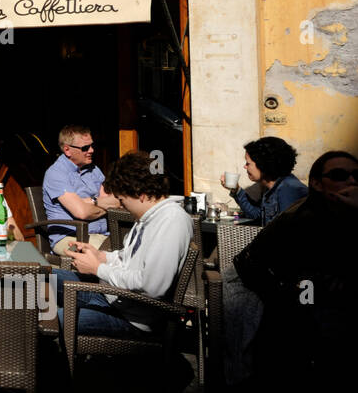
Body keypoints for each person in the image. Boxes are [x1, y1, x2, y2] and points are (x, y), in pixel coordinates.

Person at [232, 150, 358, 393]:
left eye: (356, 176)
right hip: (303, 344)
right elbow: (249, 262)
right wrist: (287, 293)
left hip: (333, 341)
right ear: (316, 183)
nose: (352, 182)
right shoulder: (301, 219)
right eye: (340, 176)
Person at [52, 151, 192, 335]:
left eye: (122, 199)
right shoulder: (148, 217)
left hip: (132, 320)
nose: (120, 205)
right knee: (40, 276)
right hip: (113, 298)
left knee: (48, 320)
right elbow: (127, 259)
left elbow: (153, 286)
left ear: (140, 194)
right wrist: (100, 256)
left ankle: (23, 355)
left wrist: (98, 269)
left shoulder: (171, 221)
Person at [43, 124, 120, 253]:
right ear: (67, 150)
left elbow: (116, 201)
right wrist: (102, 204)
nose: (91, 150)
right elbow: (82, 213)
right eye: (85, 147)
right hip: (71, 240)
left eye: (91, 146)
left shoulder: (93, 169)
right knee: (117, 256)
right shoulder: (56, 174)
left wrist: (91, 202)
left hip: (103, 234)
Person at [220, 136, 309, 227]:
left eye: (248, 163)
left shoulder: (289, 190)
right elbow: (257, 215)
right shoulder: (271, 188)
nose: (245, 167)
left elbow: (286, 230)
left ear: (263, 164)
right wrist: (236, 190)